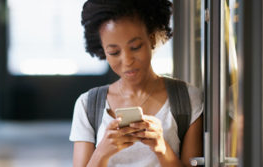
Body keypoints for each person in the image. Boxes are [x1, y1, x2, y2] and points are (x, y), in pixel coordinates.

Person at [69, 0, 203, 166]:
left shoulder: (187, 100)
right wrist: (103, 151)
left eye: (135, 47)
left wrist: (162, 149)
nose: (127, 61)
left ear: (152, 39)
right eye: (114, 52)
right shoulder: (87, 105)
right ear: (103, 51)